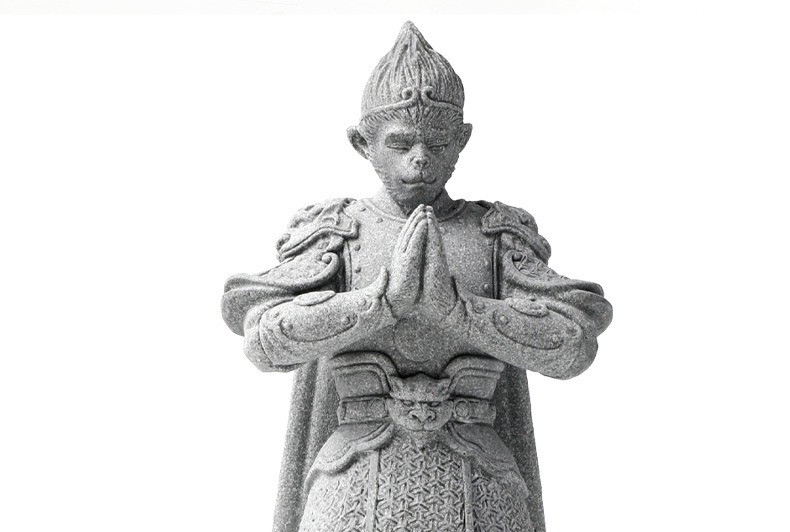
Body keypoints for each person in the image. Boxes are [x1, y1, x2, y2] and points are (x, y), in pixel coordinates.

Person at [222, 21, 612, 532]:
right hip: (353, 477)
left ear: (462, 140)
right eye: (401, 143)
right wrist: (378, 303)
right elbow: (265, 339)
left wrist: (462, 313)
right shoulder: (337, 230)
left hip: (481, 479)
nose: (421, 159)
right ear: (362, 143)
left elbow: (572, 346)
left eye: (438, 143)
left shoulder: (496, 234)